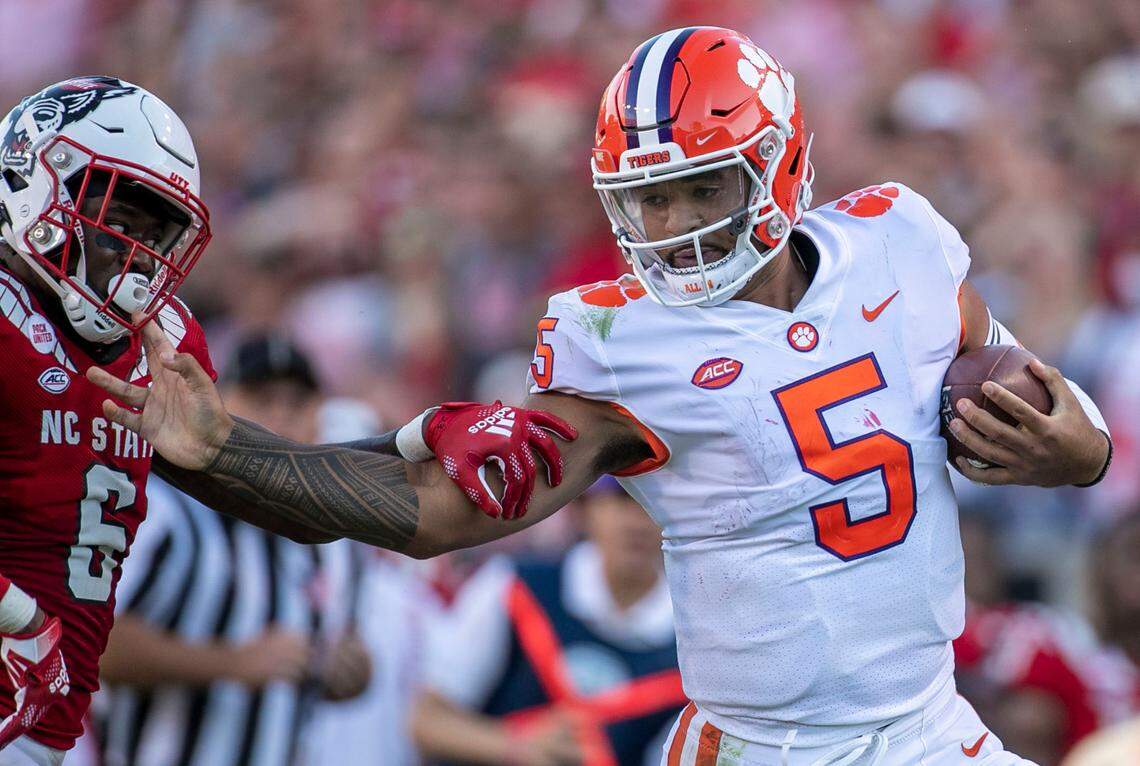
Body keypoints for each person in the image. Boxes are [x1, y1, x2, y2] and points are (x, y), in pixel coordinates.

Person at [87, 26, 1114, 766]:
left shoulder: (901, 240)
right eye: (648, 197)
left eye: (702, 186)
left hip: (931, 724)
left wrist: (1077, 447)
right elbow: (432, 512)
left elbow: (1053, 414)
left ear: (780, 163)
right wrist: (222, 451)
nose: (673, 224)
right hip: (765, 746)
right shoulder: (621, 345)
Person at [82, 335, 370, 766]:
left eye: (297, 403)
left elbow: (339, 655)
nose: (280, 417)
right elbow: (98, 645)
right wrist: (232, 663)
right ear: (218, 406)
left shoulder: (335, 543)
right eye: (261, 399)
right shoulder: (166, 512)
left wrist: (350, 673)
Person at [411, 476, 683, 766]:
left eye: (654, 505)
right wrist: (516, 748)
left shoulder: (689, 636)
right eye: (622, 499)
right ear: (584, 508)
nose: (637, 522)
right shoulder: (514, 585)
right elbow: (426, 721)